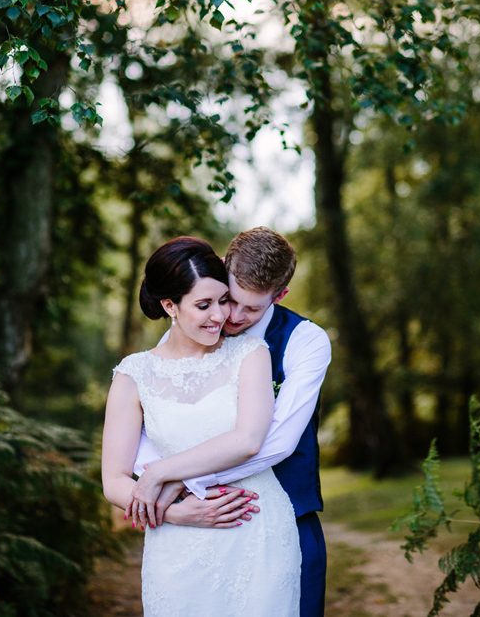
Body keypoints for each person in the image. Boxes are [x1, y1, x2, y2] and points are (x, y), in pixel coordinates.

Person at [135, 227, 332, 617]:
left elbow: (276, 442)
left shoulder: (305, 341)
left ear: (280, 295)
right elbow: (153, 422)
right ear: (223, 269)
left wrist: (182, 481)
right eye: (232, 300)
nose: (234, 317)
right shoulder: (185, 332)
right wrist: (173, 502)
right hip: (195, 527)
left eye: (253, 309)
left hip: (286, 517)